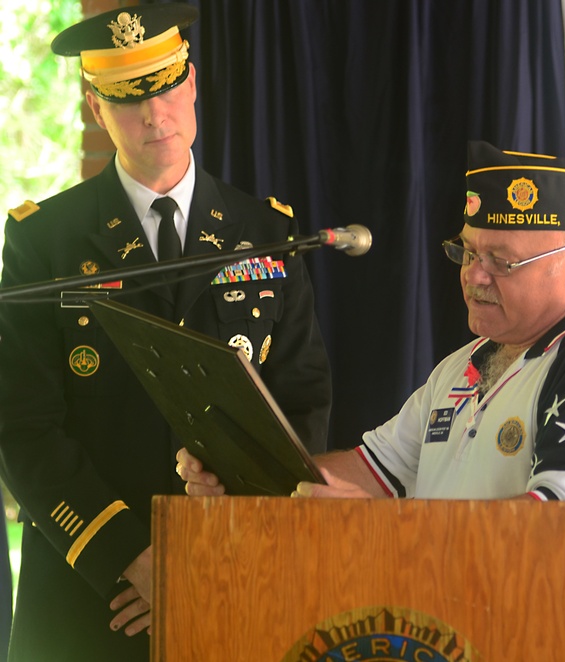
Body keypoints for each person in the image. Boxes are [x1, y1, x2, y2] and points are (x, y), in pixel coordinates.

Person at [0, 5, 332, 660]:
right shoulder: (44, 241)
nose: (154, 115)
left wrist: (219, 543)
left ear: (193, 86)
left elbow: (302, 407)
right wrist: (133, 559)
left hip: (232, 574)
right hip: (89, 593)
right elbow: (22, 423)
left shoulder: (266, 233)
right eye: (128, 99)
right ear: (97, 110)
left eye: (164, 88)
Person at [180, 140, 565, 551]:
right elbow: (370, 471)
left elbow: (559, 532)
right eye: (468, 252)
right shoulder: (464, 365)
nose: (474, 276)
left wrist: (379, 528)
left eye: (501, 261)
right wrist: (245, 476)